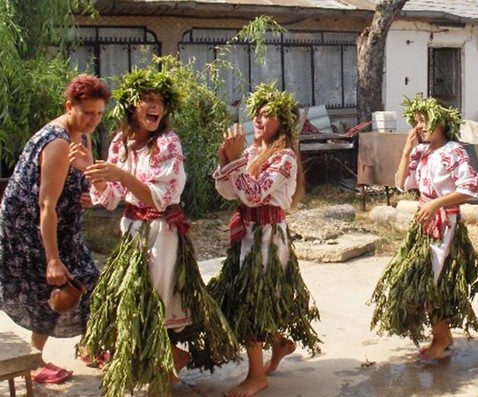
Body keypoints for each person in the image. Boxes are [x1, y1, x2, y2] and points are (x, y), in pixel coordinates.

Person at [79, 69, 238, 395]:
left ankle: (166, 368)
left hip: (161, 234)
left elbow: (163, 196)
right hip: (133, 232)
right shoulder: (120, 143)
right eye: (147, 100)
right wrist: (90, 171)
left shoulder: (167, 143)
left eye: (160, 102)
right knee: (132, 302)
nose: (155, 107)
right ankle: (169, 362)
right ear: (131, 105)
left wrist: (121, 176)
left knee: (153, 304)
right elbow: (109, 200)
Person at [208, 82, 320, 397]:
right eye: (257, 113)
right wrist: (225, 160)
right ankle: (279, 343)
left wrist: (234, 164)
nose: (259, 120)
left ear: (282, 122)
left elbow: (254, 194)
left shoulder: (284, 157)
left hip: (268, 238)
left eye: (268, 115)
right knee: (259, 294)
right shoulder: (252, 152)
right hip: (249, 233)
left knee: (253, 300)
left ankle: (257, 376)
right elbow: (230, 191)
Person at [0, 75, 110, 384]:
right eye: (88, 112)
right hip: (32, 227)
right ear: (69, 107)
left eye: (99, 114)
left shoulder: (81, 135)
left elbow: (74, 184)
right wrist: (52, 259)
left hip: (61, 224)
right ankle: (35, 361)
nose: (93, 120)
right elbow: (46, 204)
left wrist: (84, 195)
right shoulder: (59, 142)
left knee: (89, 280)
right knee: (51, 291)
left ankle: (89, 345)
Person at [369, 96, 478, 361]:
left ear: (443, 123)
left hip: (444, 224)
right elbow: (403, 182)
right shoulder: (420, 152)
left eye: (425, 120)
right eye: (417, 121)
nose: (420, 126)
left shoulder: (454, 151)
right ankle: (443, 335)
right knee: (423, 279)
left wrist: (437, 203)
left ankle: (440, 338)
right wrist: (406, 150)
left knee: (432, 281)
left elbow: (472, 187)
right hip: (424, 223)